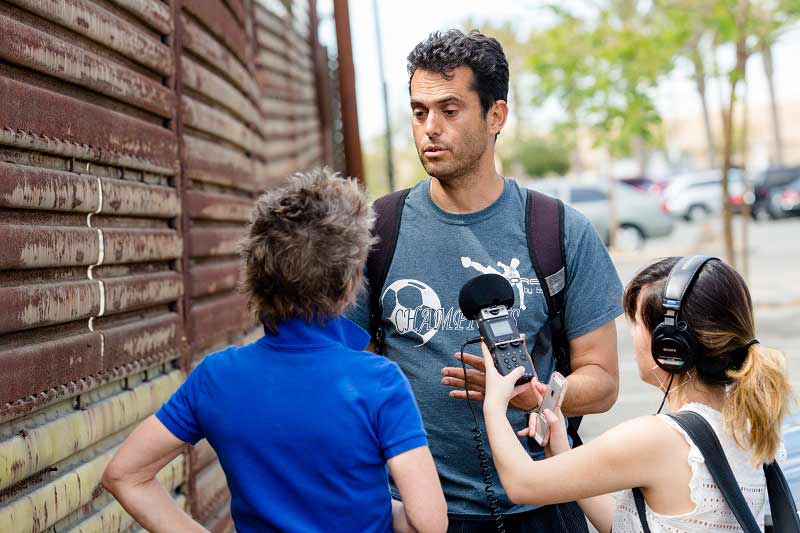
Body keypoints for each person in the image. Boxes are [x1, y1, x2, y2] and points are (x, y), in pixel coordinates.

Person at [347, 30, 623, 531]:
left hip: (546, 503)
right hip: (418, 514)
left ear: (496, 116)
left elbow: (602, 382)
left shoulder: (558, 230)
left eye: (449, 110)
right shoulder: (374, 232)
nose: (430, 128)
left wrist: (531, 394)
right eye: (419, 111)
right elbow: (347, 370)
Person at [102, 169, 448, 533]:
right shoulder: (379, 382)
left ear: (256, 273)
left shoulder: (216, 378)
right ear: (347, 284)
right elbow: (429, 523)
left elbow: (124, 475)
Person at [481, 256, 792, 533]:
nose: (631, 334)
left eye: (637, 323)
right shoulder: (749, 422)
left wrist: (494, 403)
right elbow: (628, 523)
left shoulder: (658, 438)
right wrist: (561, 449)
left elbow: (521, 484)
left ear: (670, 345)